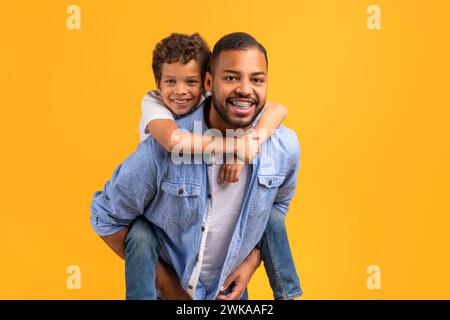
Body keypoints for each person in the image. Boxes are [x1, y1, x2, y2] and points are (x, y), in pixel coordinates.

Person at [91, 32, 302, 300]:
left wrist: (251, 262)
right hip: (170, 295)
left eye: (257, 79)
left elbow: (276, 208)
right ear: (209, 83)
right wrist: (169, 288)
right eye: (231, 77)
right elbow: (106, 217)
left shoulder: (283, 146)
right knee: (142, 235)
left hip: (229, 295)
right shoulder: (162, 145)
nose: (246, 89)